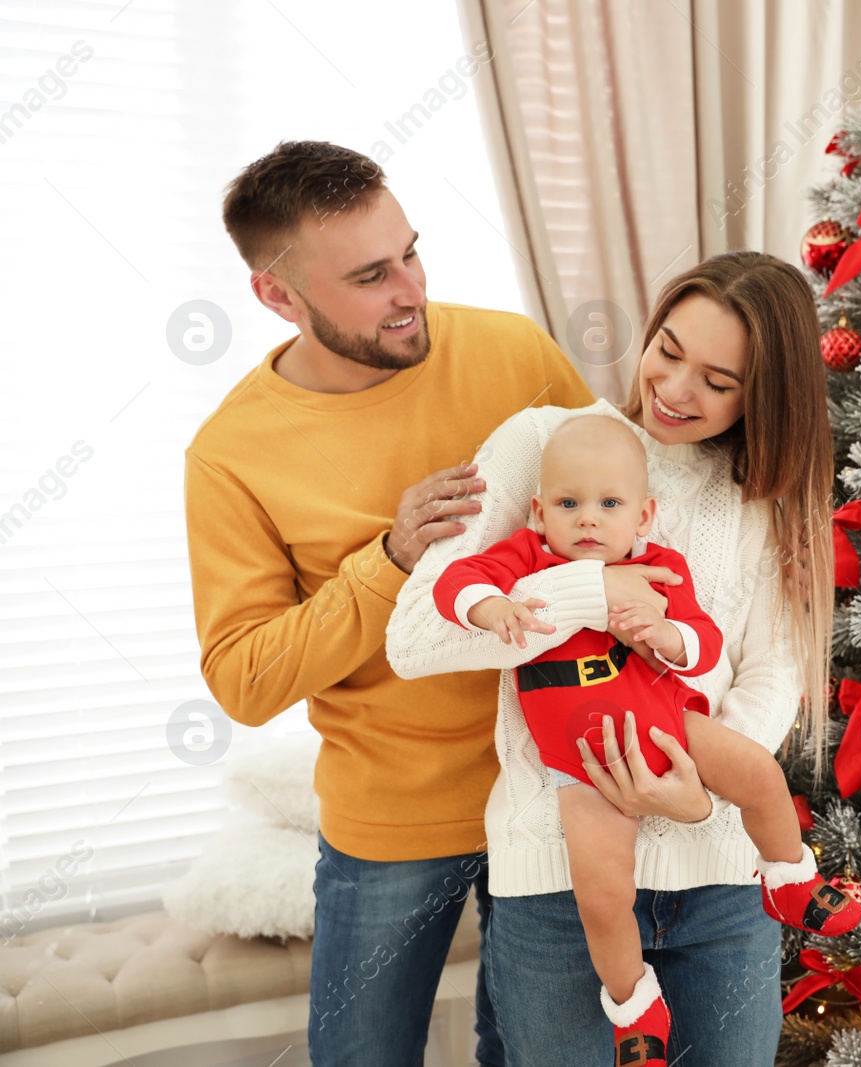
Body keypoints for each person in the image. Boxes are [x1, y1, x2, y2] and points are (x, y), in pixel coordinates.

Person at [184, 140, 593, 1066]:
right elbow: (245, 680)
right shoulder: (232, 455)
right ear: (278, 297)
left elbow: (620, 516)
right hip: (389, 821)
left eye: (410, 251)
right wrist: (393, 557)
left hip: (549, 790)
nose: (410, 288)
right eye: (371, 275)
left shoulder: (512, 351)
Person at [386, 251, 835, 1066]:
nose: (673, 388)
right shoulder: (543, 443)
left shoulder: (763, 495)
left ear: (762, 395)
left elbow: (773, 669)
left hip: (724, 883)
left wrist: (692, 789)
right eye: (667, 348)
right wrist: (598, 590)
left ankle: (794, 872)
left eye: (718, 380)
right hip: (559, 881)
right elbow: (414, 638)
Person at [430, 414, 859, 1061]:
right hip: (584, 770)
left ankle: (788, 873)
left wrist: (667, 635)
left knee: (761, 776)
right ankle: (634, 1002)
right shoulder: (527, 559)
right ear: (540, 512)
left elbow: (704, 642)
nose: (589, 520)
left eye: (609, 504)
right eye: (569, 504)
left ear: (644, 513)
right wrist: (492, 608)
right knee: (602, 894)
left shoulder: (660, 566)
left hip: (675, 731)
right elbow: (452, 583)